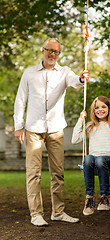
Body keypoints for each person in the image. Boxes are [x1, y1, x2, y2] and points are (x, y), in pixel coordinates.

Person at [14, 38, 89, 226]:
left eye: (56, 51)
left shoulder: (64, 72)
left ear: (59, 54)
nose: (52, 54)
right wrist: (18, 125)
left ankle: (58, 212)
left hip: (55, 129)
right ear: (43, 51)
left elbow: (75, 82)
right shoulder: (29, 73)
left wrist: (81, 79)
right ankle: (36, 214)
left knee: (58, 173)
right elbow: (20, 100)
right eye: (49, 50)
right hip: (33, 130)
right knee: (33, 173)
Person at [72, 96, 110, 216]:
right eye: (97, 107)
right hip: (94, 159)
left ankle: (105, 197)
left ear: (109, 108)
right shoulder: (90, 126)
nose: (100, 110)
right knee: (88, 158)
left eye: (103, 107)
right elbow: (75, 140)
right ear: (93, 110)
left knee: (100, 160)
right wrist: (80, 120)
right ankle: (89, 198)